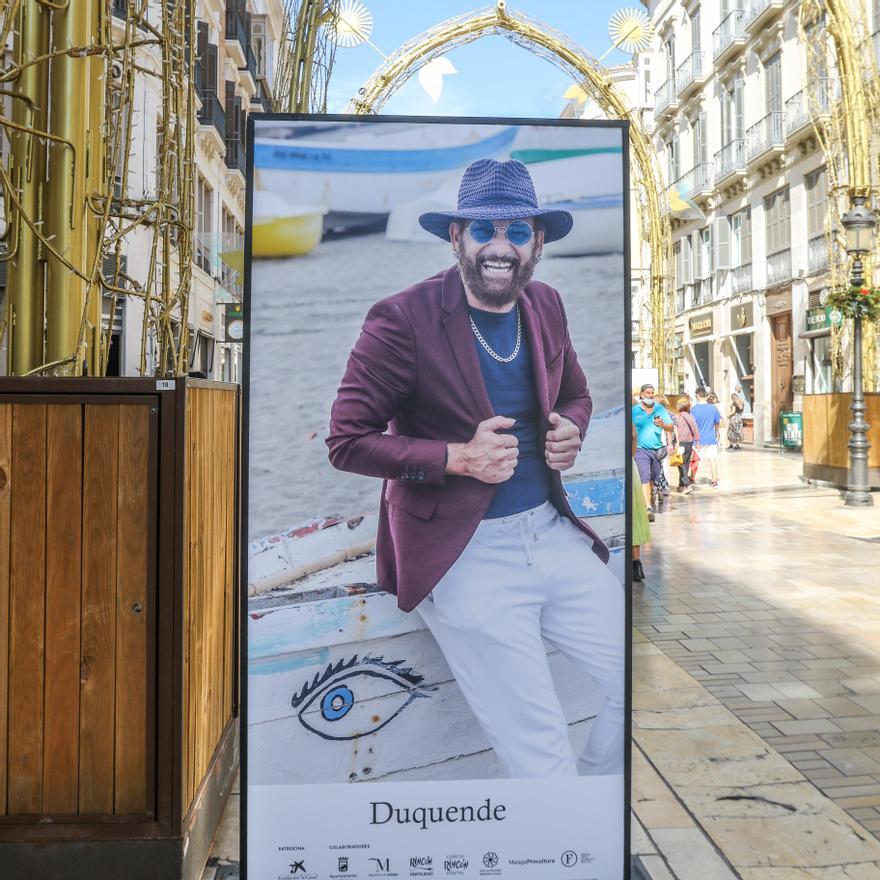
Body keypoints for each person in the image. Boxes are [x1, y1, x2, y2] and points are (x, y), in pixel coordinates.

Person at [326, 158, 624, 779]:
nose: (501, 245)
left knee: (634, 683)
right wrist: (455, 458)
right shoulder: (402, 318)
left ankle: (587, 825)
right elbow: (347, 441)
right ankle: (568, 849)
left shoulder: (545, 304)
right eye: (484, 229)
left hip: (552, 532)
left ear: (538, 243)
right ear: (457, 236)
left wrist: (571, 431)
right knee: (541, 755)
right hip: (463, 553)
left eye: (518, 231)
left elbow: (576, 395)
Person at [631, 383, 675, 521]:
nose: (650, 395)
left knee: (652, 478)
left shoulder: (660, 409)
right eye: (648, 393)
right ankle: (648, 507)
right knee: (645, 475)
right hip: (640, 449)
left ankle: (648, 499)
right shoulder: (634, 410)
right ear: (642, 395)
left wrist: (663, 425)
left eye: (652, 393)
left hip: (656, 450)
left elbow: (671, 428)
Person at [691, 386, 721, 487]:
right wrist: (716, 433)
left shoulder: (693, 410)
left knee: (695, 460)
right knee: (713, 459)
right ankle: (714, 480)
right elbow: (717, 422)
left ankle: (692, 478)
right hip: (711, 438)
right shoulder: (713, 408)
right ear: (706, 395)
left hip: (697, 440)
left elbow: (691, 425)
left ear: (697, 395)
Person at [631, 425, 650, 582]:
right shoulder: (631, 427)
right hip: (631, 469)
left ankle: (634, 564)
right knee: (635, 516)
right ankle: (636, 564)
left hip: (626, 470)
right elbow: (632, 452)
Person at [673, 397, 699, 494]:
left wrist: (675, 443)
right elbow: (695, 429)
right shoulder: (690, 416)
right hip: (689, 442)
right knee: (685, 463)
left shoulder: (676, 417)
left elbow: (674, 432)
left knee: (681, 464)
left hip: (680, 442)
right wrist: (697, 441)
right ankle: (681, 485)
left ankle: (687, 485)